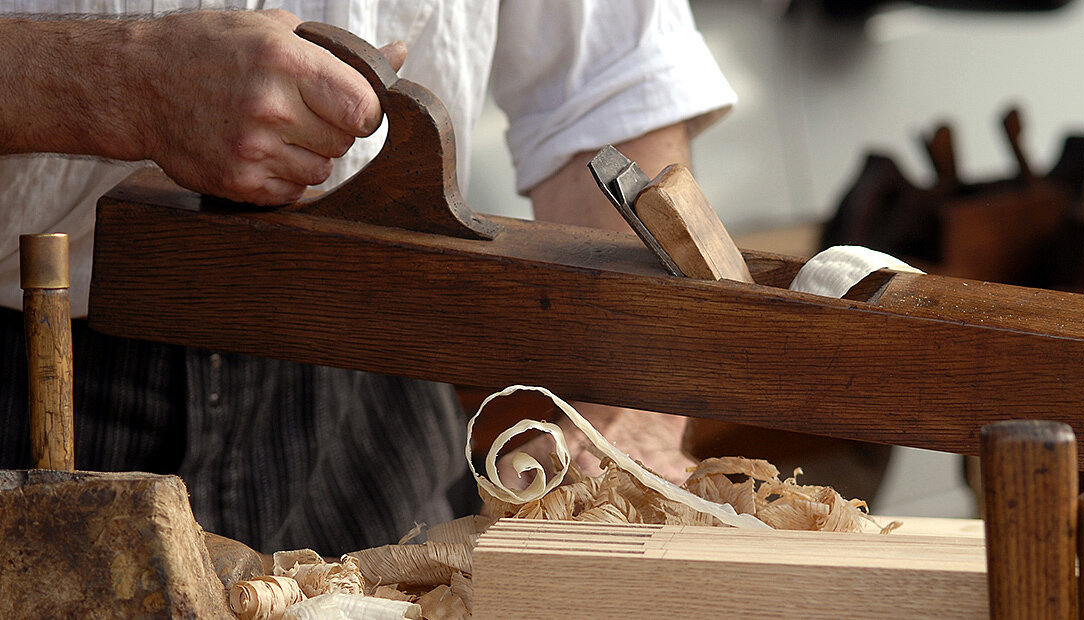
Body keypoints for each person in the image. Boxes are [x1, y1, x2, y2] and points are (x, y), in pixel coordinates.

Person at [0, 1, 735, 555]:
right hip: (42, 369)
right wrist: (113, 78)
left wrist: (623, 395)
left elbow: (606, 90)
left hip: (374, 378)